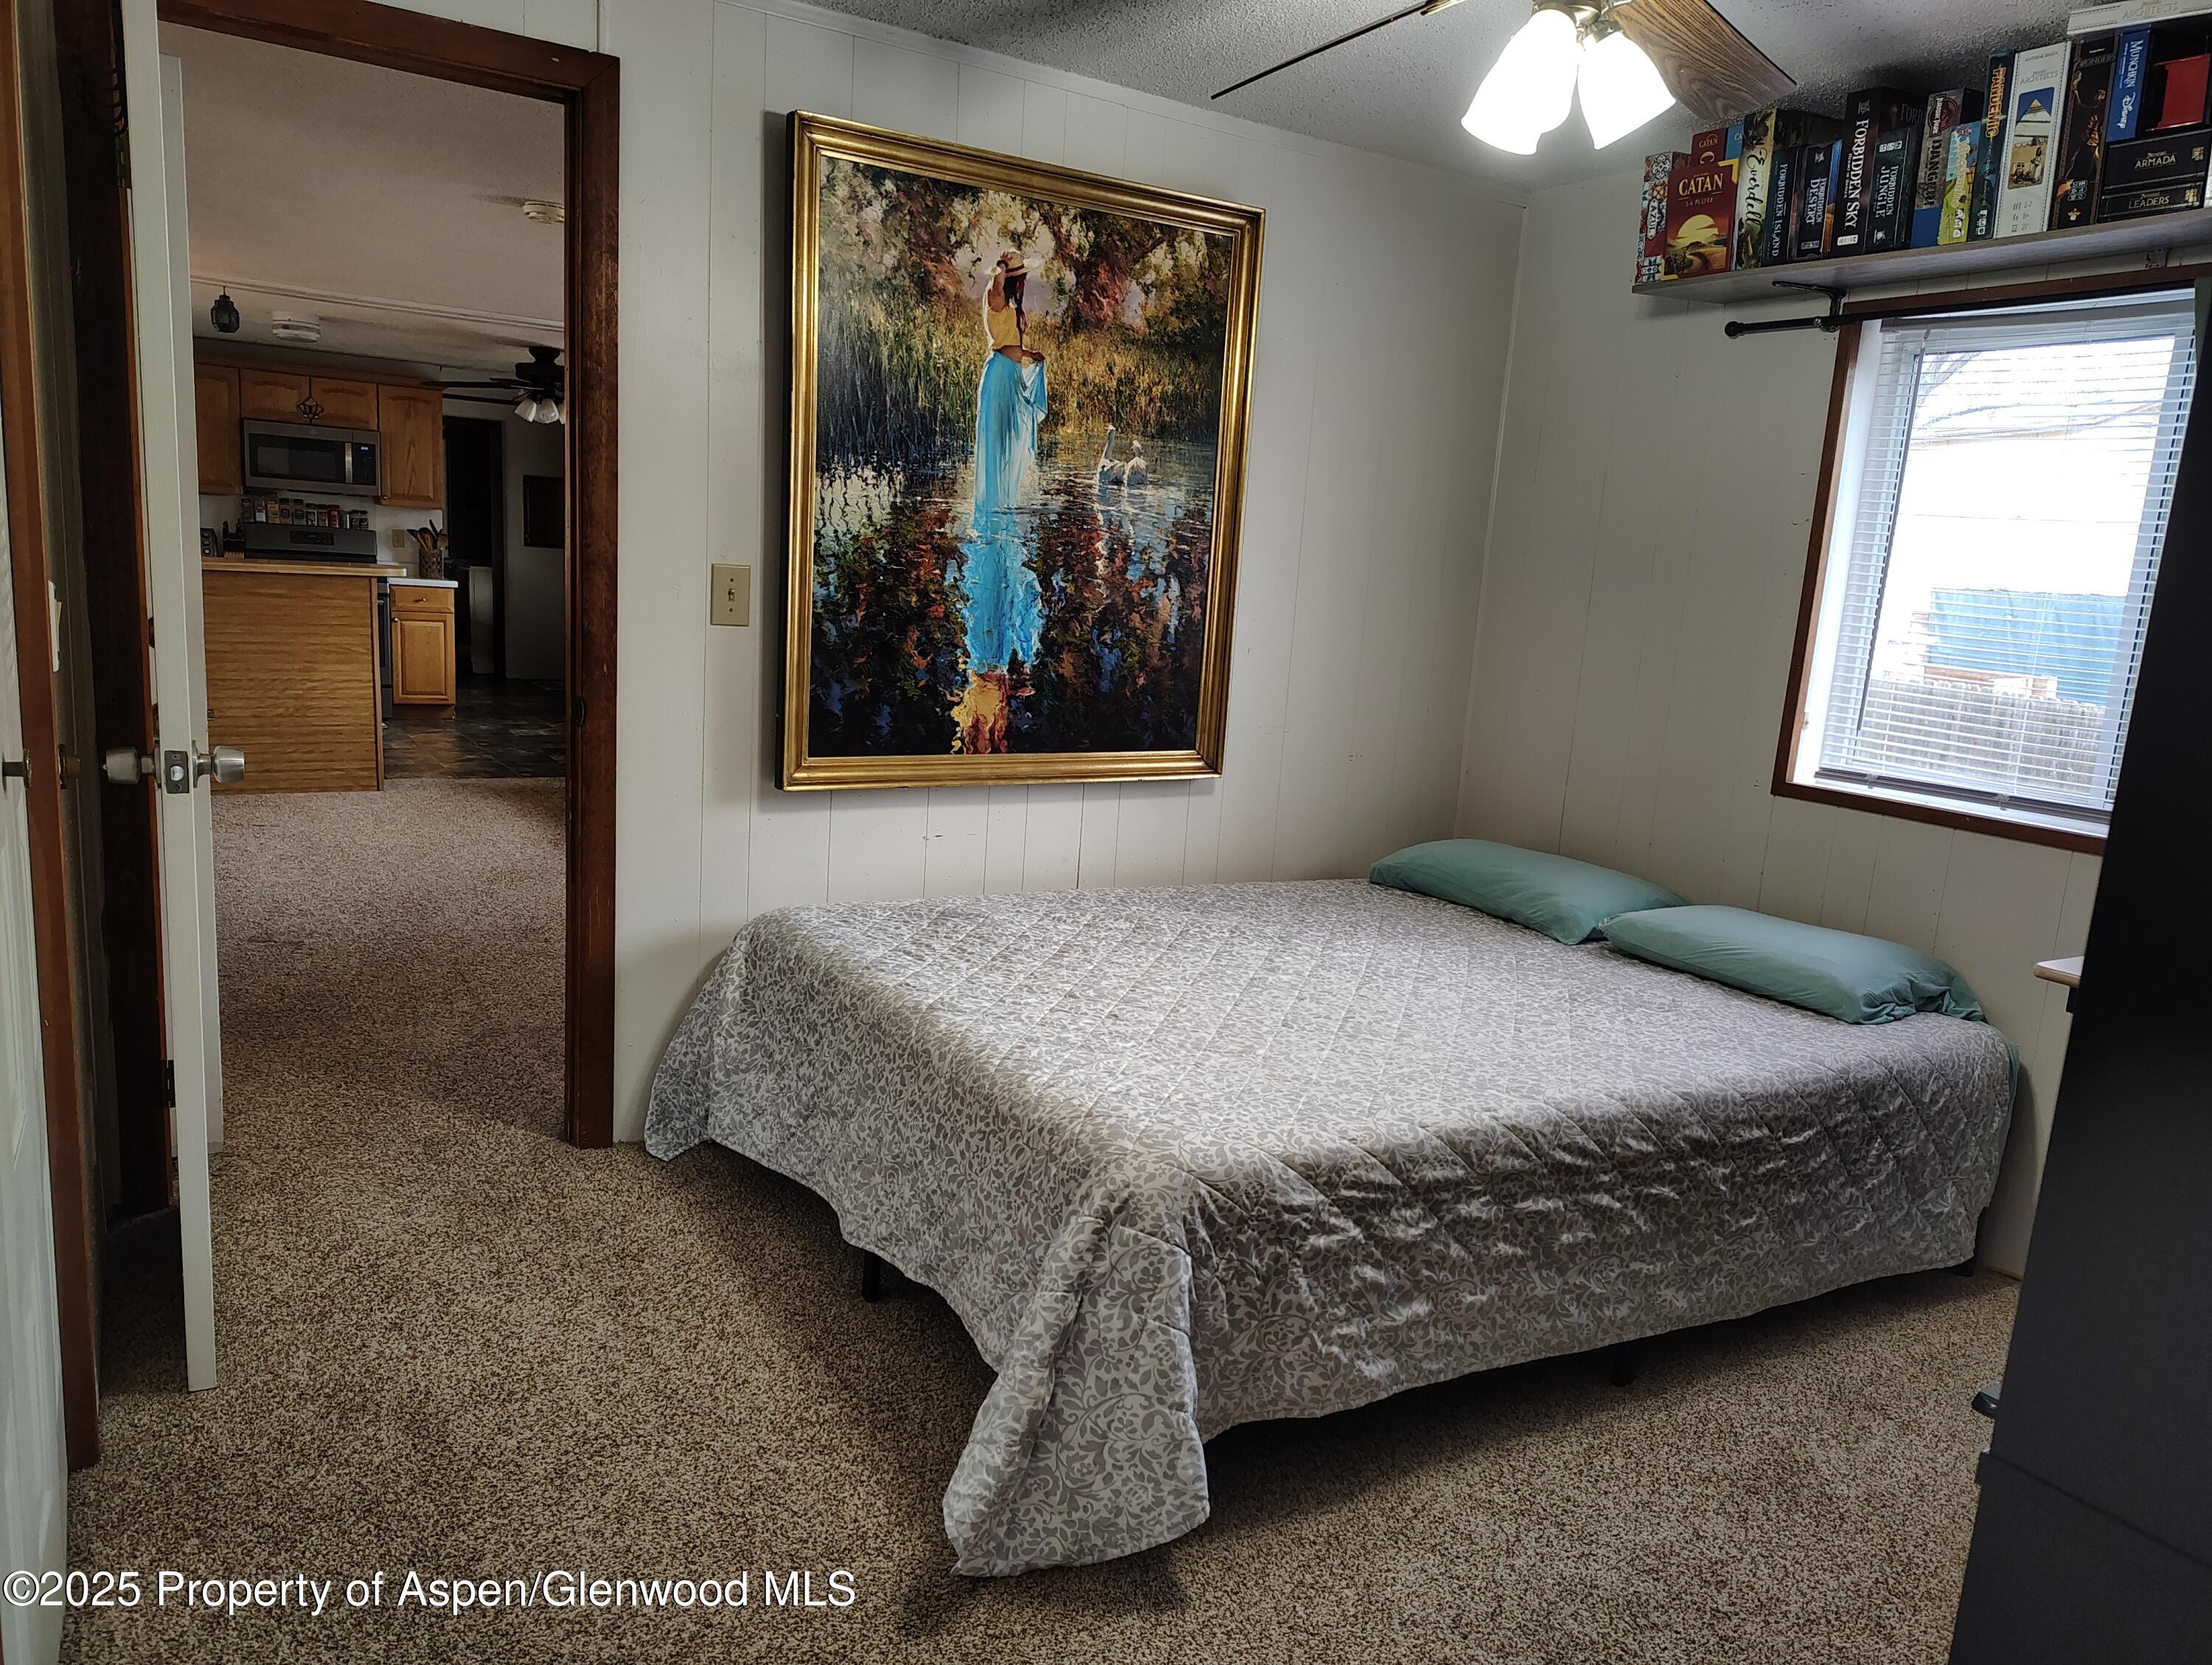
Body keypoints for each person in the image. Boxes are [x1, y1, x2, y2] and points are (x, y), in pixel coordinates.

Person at [956, 251, 1048, 751]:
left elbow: (1017, 344)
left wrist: (1032, 360)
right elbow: (995, 291)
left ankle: (1005, 504)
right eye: (1015, 273)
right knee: (997, 464)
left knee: (1011, 463)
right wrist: (1000, 272)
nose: (1017, 279)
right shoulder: (995, 298)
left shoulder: (1014, 309)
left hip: (1013, 384)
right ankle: (994, 509)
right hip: (998, 385)